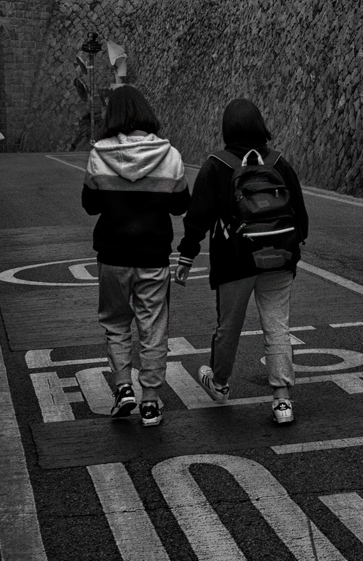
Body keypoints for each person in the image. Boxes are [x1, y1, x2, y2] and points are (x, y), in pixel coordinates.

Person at [175, 99, 308, 426]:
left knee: (229, 326)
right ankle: (282, 400)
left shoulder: (217, 165)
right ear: (259, 125)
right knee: (277, 325)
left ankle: (219, 383)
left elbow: (198, 217)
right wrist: (294, 243)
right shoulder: (279, 162)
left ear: (227, 129)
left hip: (235, 259)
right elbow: (299, 213)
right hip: (279, 258)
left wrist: (187, 256)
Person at [82, 86, 190, 427]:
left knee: (116, 322)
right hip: (154, 256)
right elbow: (180, 205)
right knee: (153, 328)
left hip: (112, 256)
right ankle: (151, 401)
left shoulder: (99, 154)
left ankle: (123, 387)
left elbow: (90, 205)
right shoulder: (170, 155)